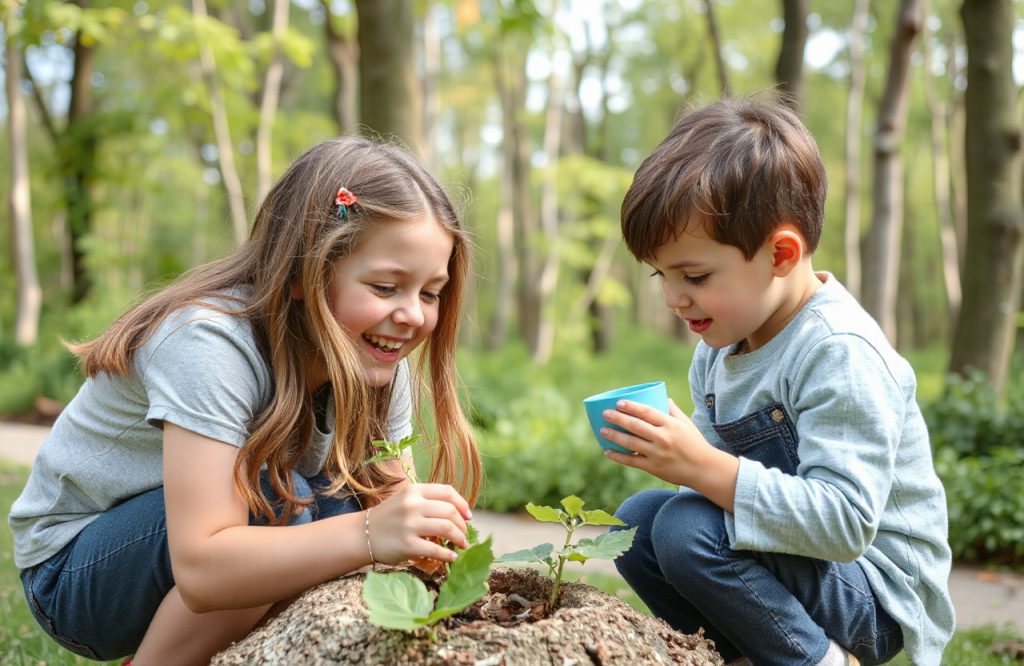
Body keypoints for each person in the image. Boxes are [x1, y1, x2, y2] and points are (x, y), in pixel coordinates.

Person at [9, 136, 482, 665]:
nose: (413, 315)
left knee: (343, 499)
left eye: (429, 292)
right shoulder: (208, 341)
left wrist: (422, 540)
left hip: (202, 551)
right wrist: (372, 532)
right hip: (78, 572)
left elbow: (389, 503)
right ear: (306, 272)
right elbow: (205, 567)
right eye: (385, 286)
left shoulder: (377, 366)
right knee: (278, 502)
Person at [599, 95, 954, 666]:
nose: (672, 297)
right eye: (660, 275)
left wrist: (700, 466)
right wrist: (676, 458)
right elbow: (715, 501)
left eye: (693, 275)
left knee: (687, 530)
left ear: (781, 254)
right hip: (800, 564)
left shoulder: (839, 351)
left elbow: (844, 525)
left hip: (876, 592)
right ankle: (741, 655)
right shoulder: (717, 352)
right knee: (638, 523)